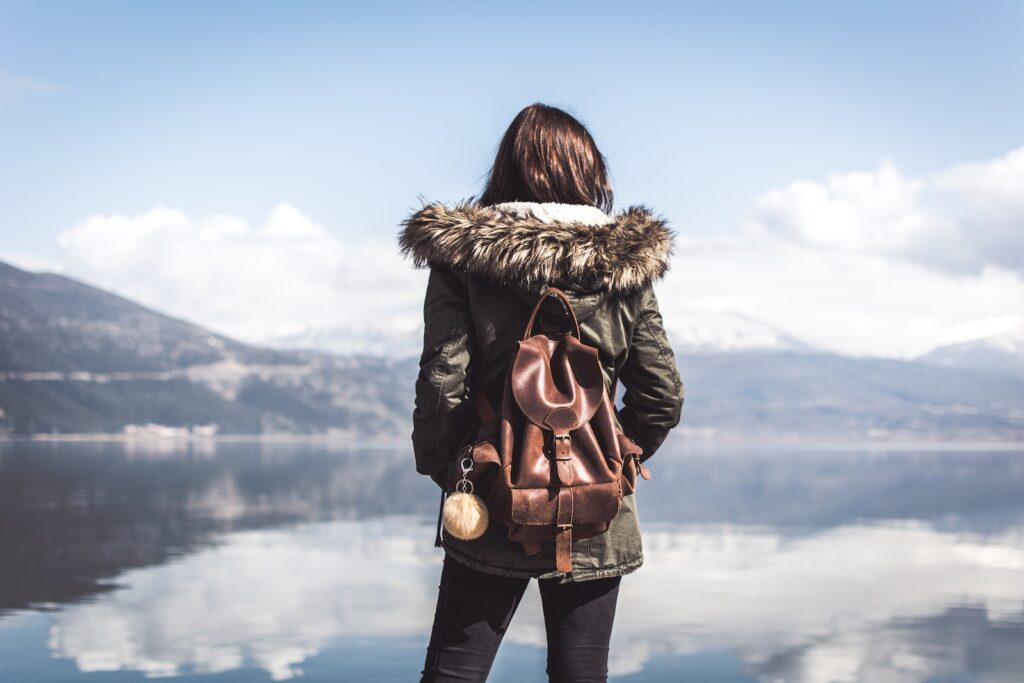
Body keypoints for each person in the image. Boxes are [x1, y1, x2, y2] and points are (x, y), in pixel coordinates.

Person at [398, 103, 685, 683]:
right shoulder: (625, 265)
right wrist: (611, 460)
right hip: (599, 506)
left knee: (455, 669)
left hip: (490, 495)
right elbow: (661, 394)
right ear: (589, 172)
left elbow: (442, 384)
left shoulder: (464, 257)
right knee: (581, 674)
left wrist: (456, 471)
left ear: (506, 170)